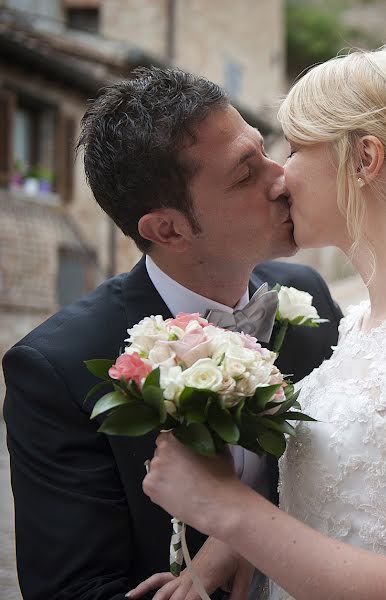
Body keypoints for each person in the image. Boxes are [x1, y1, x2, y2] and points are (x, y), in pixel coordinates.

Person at [2, 67, 342, 600]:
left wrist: (239, 538)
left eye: (265, 152)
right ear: (169, 229)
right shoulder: (57, 367)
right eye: (245, 174)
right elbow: (73, 589)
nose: (281, 179)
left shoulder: (307, 295)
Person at [138, 44, 386, 600]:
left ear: (364, 159)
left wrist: (228, 510)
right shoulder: (358, 323)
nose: (280, 180)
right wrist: (229, 549)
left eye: (292, 151)